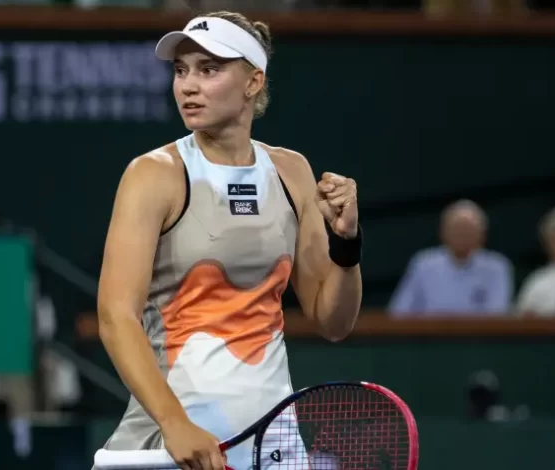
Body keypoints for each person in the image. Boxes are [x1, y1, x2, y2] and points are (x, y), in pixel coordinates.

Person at [95, 11, 363, 470]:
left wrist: (347, 244)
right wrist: (175, 424)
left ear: (253, 82)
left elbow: (333, 321)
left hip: (273, 446)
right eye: (181, 71)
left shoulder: (291, 171)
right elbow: (115, 317)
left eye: (209, 70)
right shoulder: (153, 175)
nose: (188, 86)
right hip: (174, 443)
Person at [388, 199, 513, 317]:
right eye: (456, 229)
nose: (462, 235)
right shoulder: (423, 264)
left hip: (478, 333)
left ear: (482, 235)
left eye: (467, 230)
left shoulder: (497, 267)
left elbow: (497, 314)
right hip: (429, 332)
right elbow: (399, 312)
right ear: (442, 232)